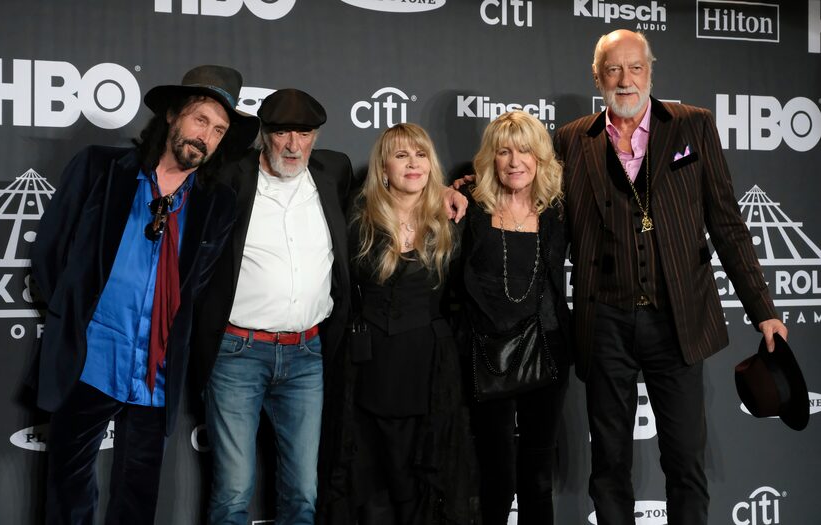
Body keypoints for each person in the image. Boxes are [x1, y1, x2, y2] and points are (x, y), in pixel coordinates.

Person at [551, 29, 787, 525]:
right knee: (608, 465)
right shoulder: (572, 139)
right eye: (613, 69)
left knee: (684, 463)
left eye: (636, 67)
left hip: (678, 319)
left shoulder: (694, 126)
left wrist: (763, 310)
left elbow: (726, 222)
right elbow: (530, 200)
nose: (626, 79)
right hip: (605, 321)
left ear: (651, 71)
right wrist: (462, 188)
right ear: (597, 77)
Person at [30, 64, 259, 525]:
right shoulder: (100, 168)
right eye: (200, 119)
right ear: (173, 115)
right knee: (68, 488)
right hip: (90, 358)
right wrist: (77, 320)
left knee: (138, 496)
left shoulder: (217, 205)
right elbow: (52, 257)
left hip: (156, 369)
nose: (206, 137)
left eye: (218, 130)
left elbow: (201, 286)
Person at [190, 88, 354, 525]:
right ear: (264, 134)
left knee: (303, 491)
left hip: (307, 355)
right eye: (282, 133)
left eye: (304, 133)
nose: (293, 145)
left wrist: (457, 189)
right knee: (233, 491)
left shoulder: (334, 171)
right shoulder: (230, 175)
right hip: (237, 353)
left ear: (316, 136)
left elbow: (395, 200)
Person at [317, 123, 477, 525]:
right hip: (366, 369)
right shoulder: (355, 217)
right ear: (383, 168)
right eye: (402, 155)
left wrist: (450, 191)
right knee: (369, 479)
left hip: (428, 368)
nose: (413, 163)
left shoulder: (451, 221)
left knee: (419, 477)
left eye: (421, 154)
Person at [457, 110, 572, 525]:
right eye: (503, 151)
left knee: (538, 476)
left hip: (549, 345)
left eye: (524, 150)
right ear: (491, 158)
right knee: (496, 473)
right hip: (487, 350)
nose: (514, 161)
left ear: (540, 157)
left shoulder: (558, 211)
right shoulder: (469, 206)